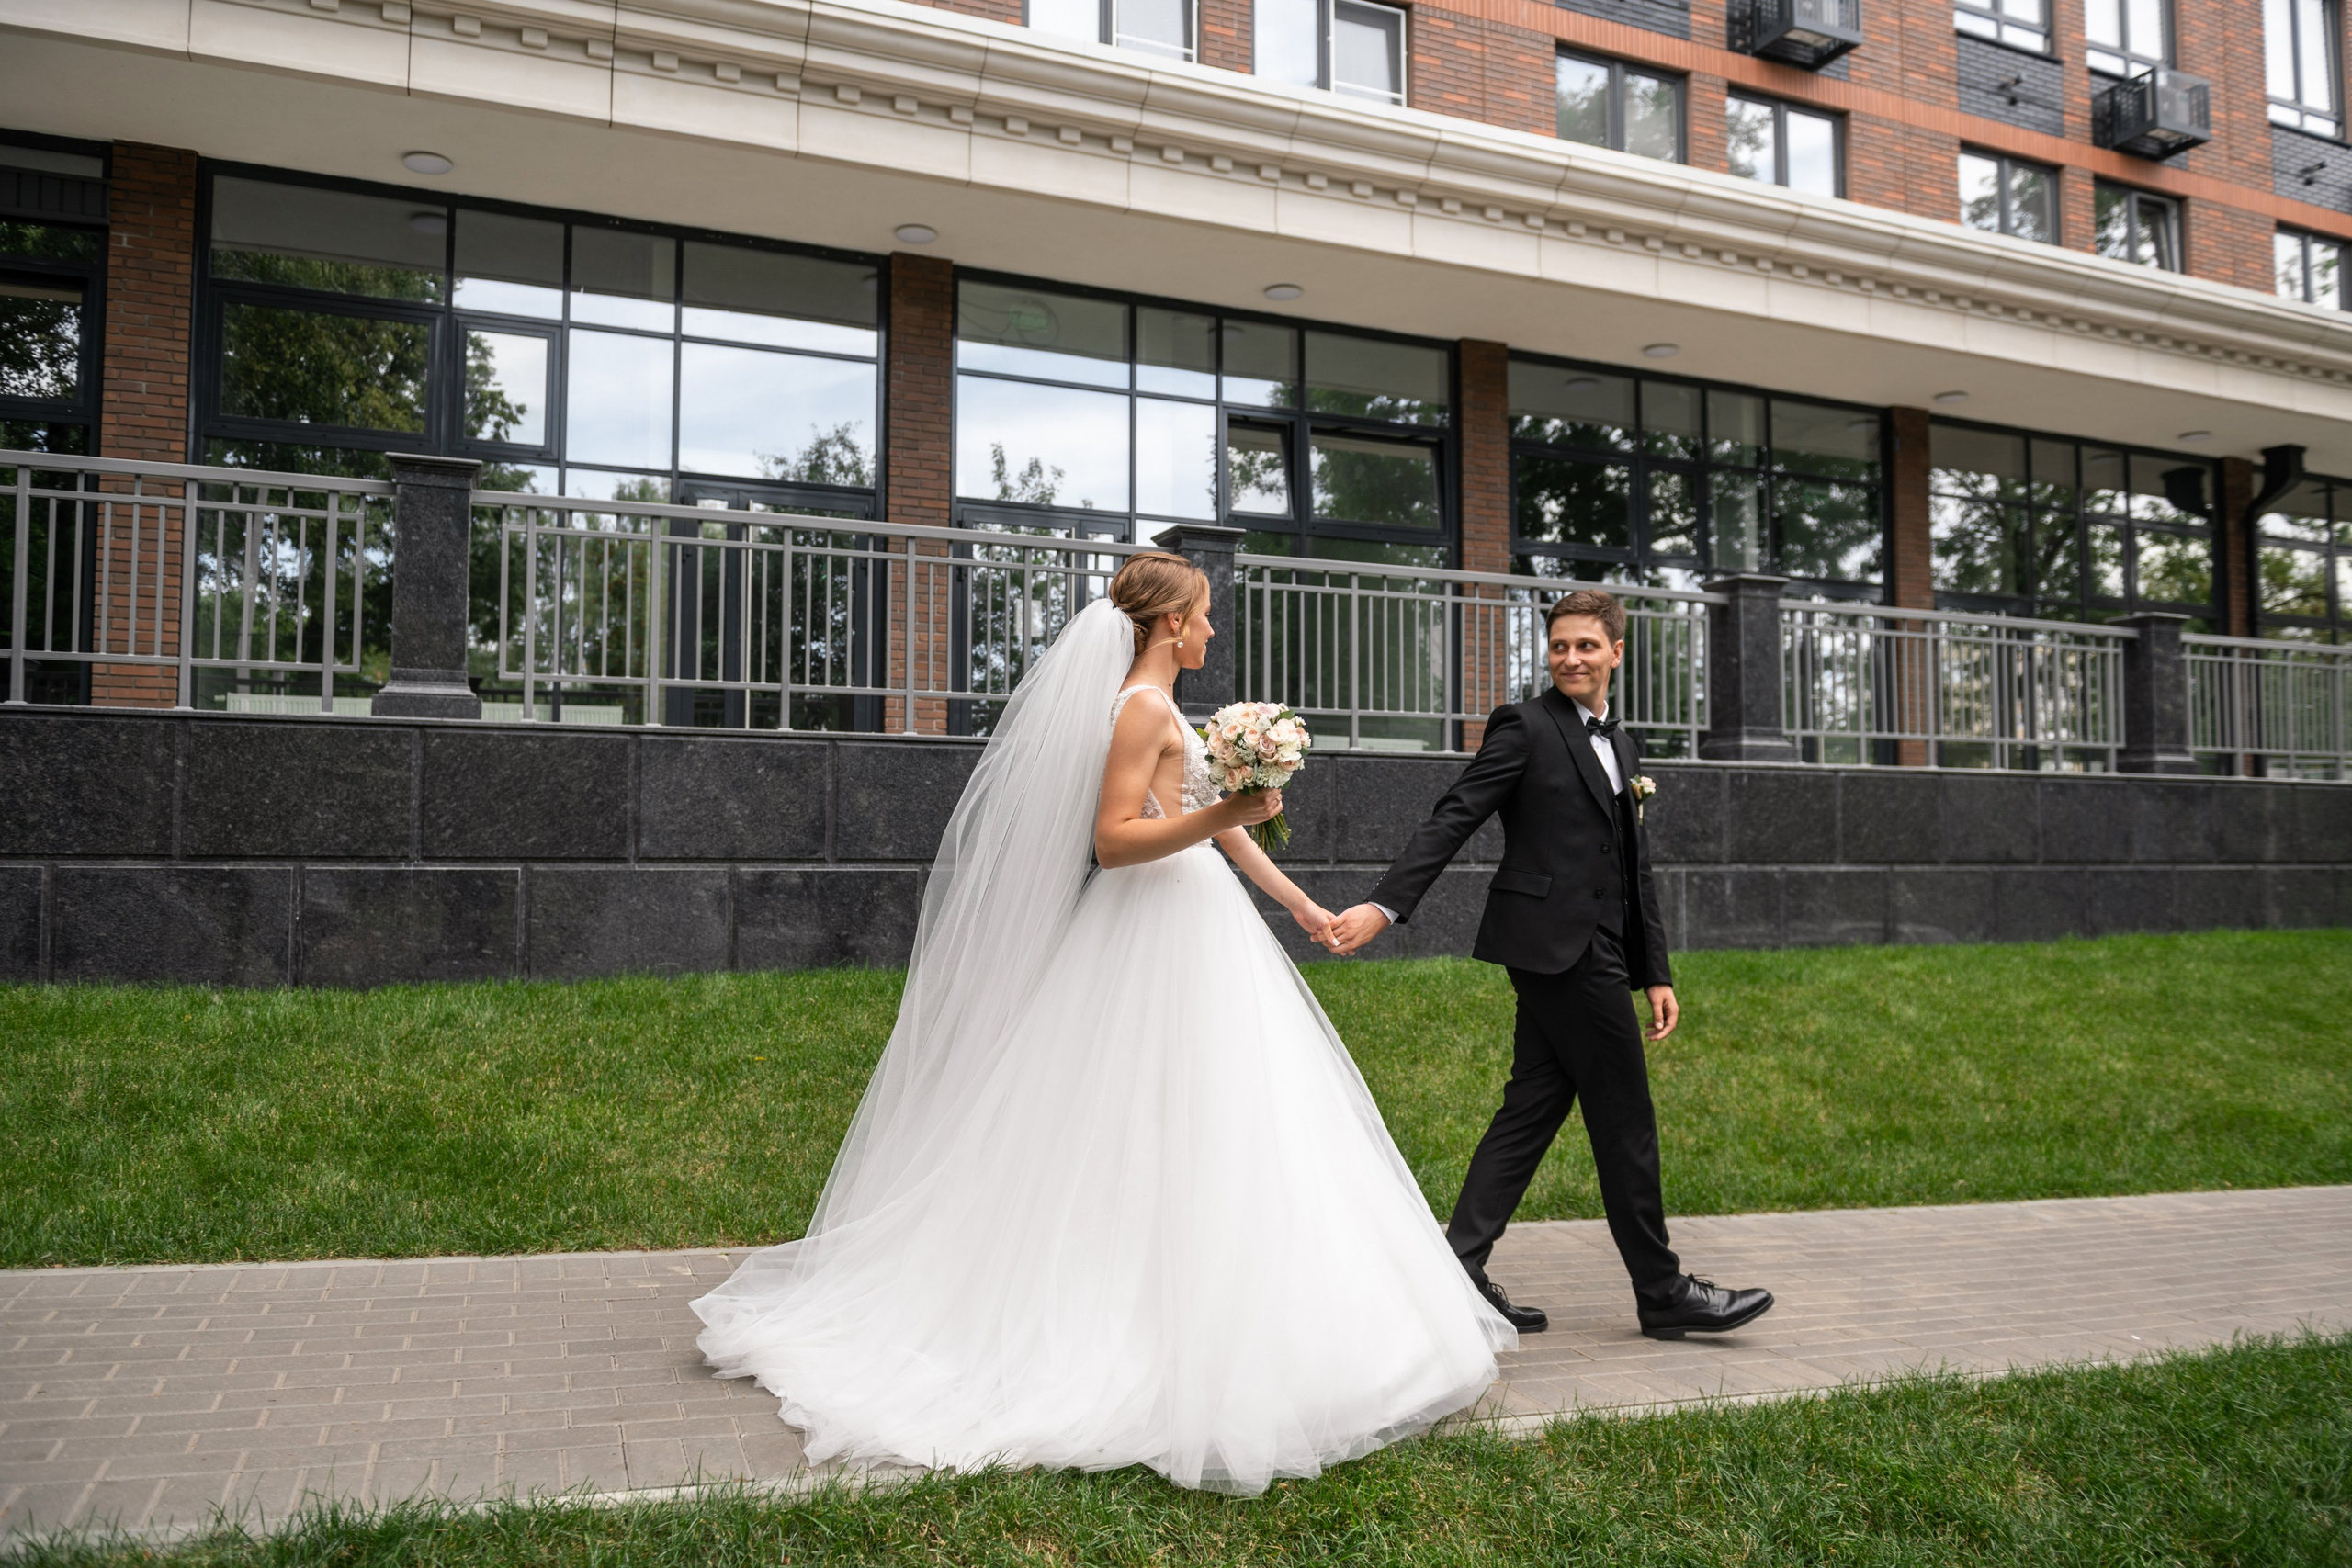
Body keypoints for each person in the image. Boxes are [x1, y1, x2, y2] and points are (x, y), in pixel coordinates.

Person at [693, 553, 1513, 1495]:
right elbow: (1116, 841)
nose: (1211, 631)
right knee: (1145, 1113)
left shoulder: (1164, 711)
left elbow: (1213, 819)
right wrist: (1224, 810)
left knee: (1224, 1115)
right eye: (1204, 615)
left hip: (1200, 918)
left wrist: (1297, 903)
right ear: (1171, 624)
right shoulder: (1137, 708)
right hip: (1152, 922)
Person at [1326, 589, 1774, 1342]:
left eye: (1586, 646)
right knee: (1625, 1116)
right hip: (1557, 948)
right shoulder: (1525, 726)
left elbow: (1635, 868)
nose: (1570, 658)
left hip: (1597, 948)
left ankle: (1456, 1271)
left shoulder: (1623, 745)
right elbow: (1454, 815)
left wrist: (1655, 970)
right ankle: (1662, 1291)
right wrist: (1385, 905)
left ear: (1616, 652)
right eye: (1559, 645)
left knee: (1531, 1108)